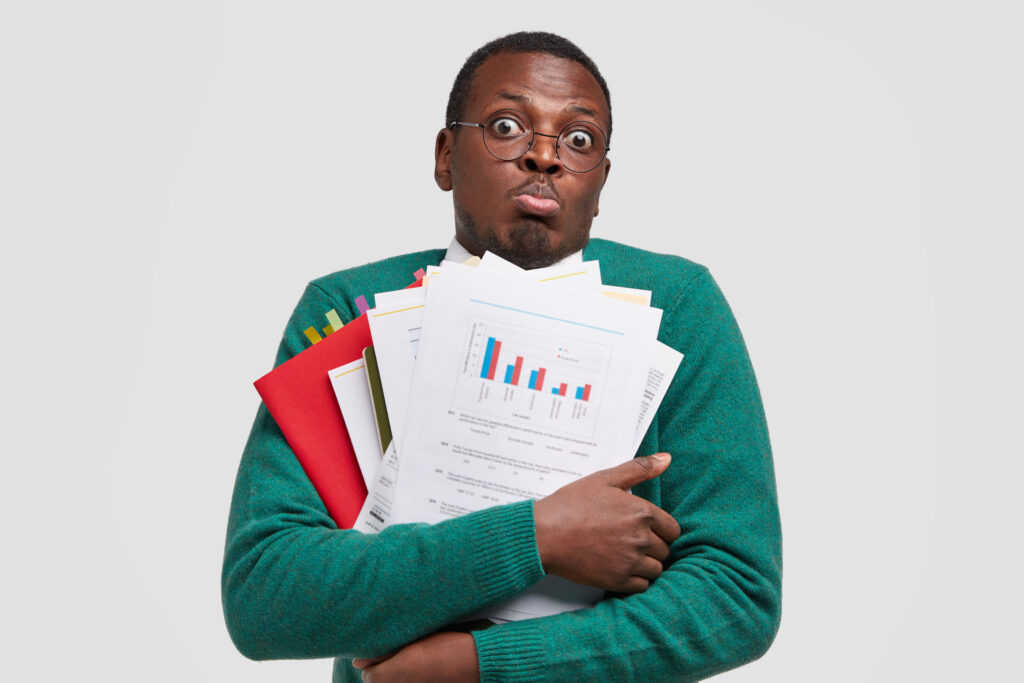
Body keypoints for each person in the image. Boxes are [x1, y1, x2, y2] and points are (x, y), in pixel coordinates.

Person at [223, 31, 781, 682]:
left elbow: (736, 593)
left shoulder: (682, 306)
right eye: (508, 126)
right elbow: (264, 596)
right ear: (444, 156)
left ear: (599, 184)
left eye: (578, 140)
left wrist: (480, 664)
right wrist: (539, 536)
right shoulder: (349, 306)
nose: (544, 156)